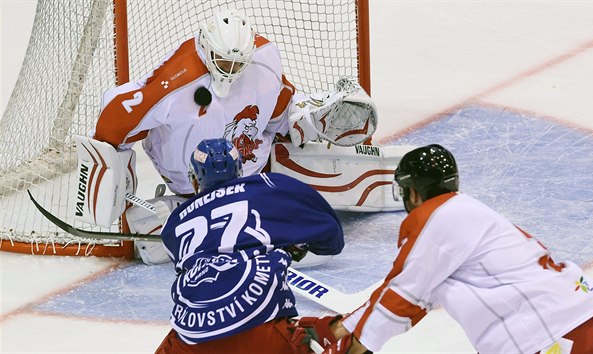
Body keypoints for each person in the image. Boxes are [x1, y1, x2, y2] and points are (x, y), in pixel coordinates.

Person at [72, 8, 376, 263]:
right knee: (152, 239)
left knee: (166, 239)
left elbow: (278, 108)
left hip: (253, 171)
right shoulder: (176, 84)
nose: (231, 69)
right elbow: (118, 112)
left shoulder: (264, 60)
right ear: (205, 48)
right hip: (195, 187)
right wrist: (113, 170)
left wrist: (306, 119)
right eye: (224, 61)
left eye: (238, 62)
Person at [292, 144, 593, 354]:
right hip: (583, 319)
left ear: (413, 193)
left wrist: (353, 345)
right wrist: (340, 329)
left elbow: (402, 295)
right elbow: (412, 297)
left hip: (548, 335)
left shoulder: (435, 218)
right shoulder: (465, 216)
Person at [154, 138, 344, 353]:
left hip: (192, 342)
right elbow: (332, 237)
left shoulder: (174, 223)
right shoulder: (271, 185)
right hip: (262, 332)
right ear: (239, 170)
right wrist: (298, 245)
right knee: (336, 332)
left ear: (195, 180)